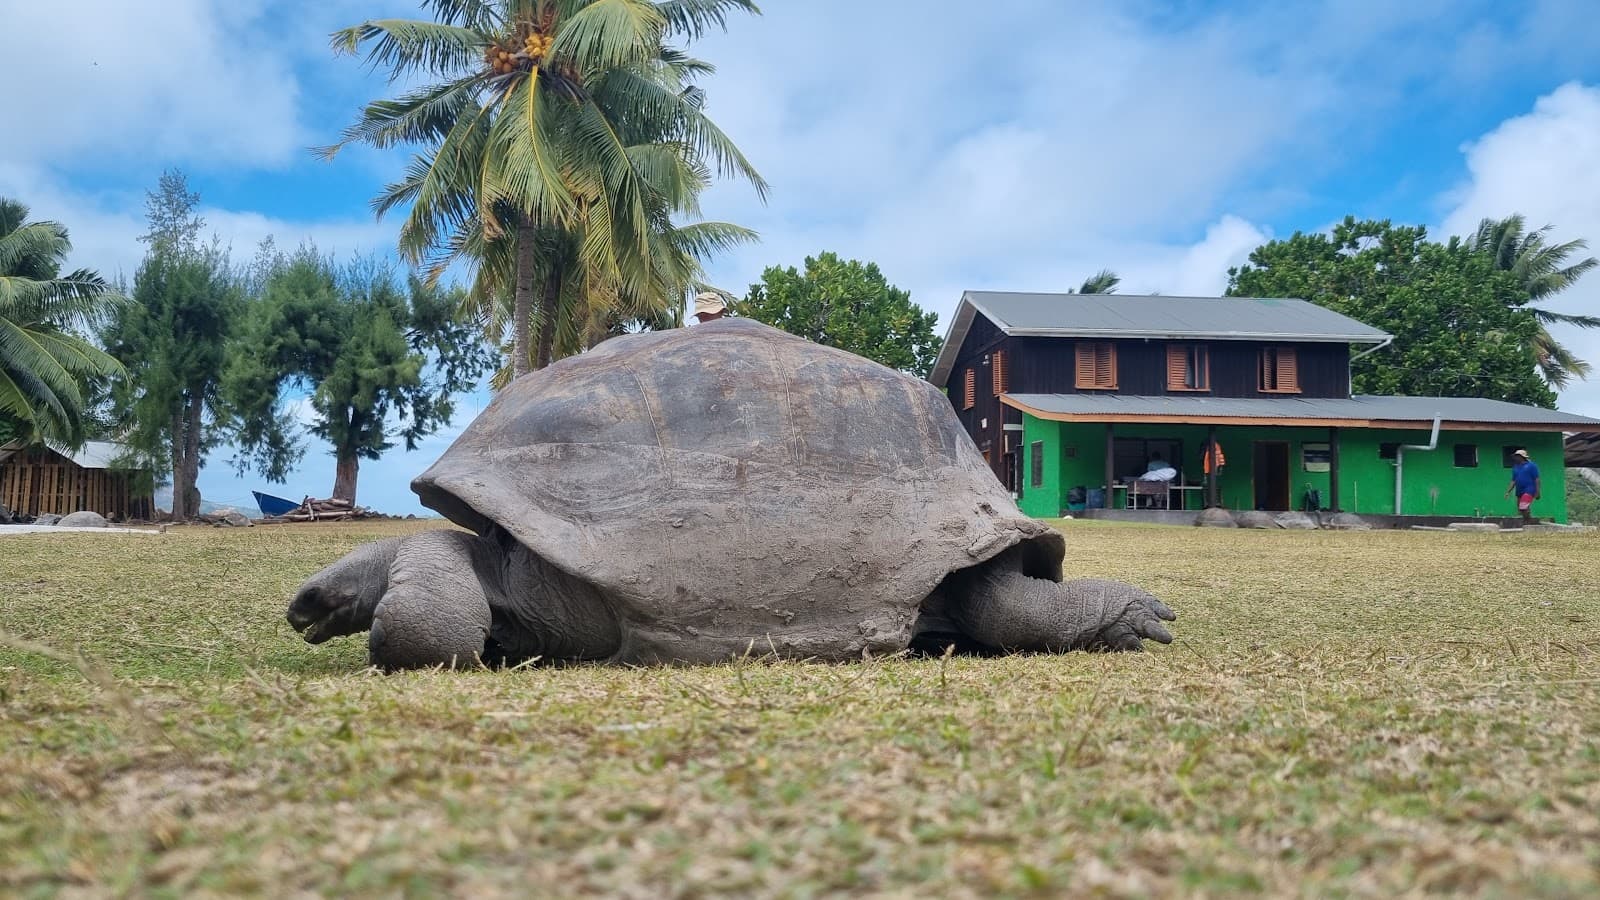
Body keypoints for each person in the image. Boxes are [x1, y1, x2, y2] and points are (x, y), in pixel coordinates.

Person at [1504, 448, 1541, 525]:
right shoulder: (1515, 467)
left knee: (1523, 506)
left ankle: (1528, 522)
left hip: (1529, 489)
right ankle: (1527, 521)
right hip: (1519, 490)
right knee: (1521, 508)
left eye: (1517, 456)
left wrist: (1537, 492)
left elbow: (1536, 479)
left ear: (1522, 457)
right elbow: (1513, 481)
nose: (1515, 458)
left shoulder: (1532, 466)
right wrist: (1508, 491)